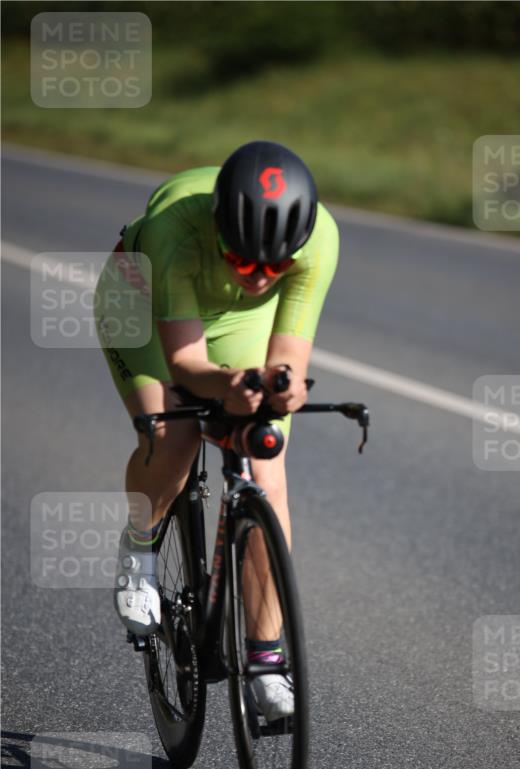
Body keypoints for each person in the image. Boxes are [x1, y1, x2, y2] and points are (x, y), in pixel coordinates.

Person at [95, 140, 339, 720]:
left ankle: (265, 658)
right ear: (218, 229)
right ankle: (140, 547)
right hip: (144, 298)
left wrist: (283, 386)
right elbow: (187, 368)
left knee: (265, 466)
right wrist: (228, 386)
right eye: (245, 260)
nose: (259, 276)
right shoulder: (172, 233)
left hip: (234, 322)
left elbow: (288, 362)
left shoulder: (319, 240)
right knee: (174, 433)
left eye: (275, 266)